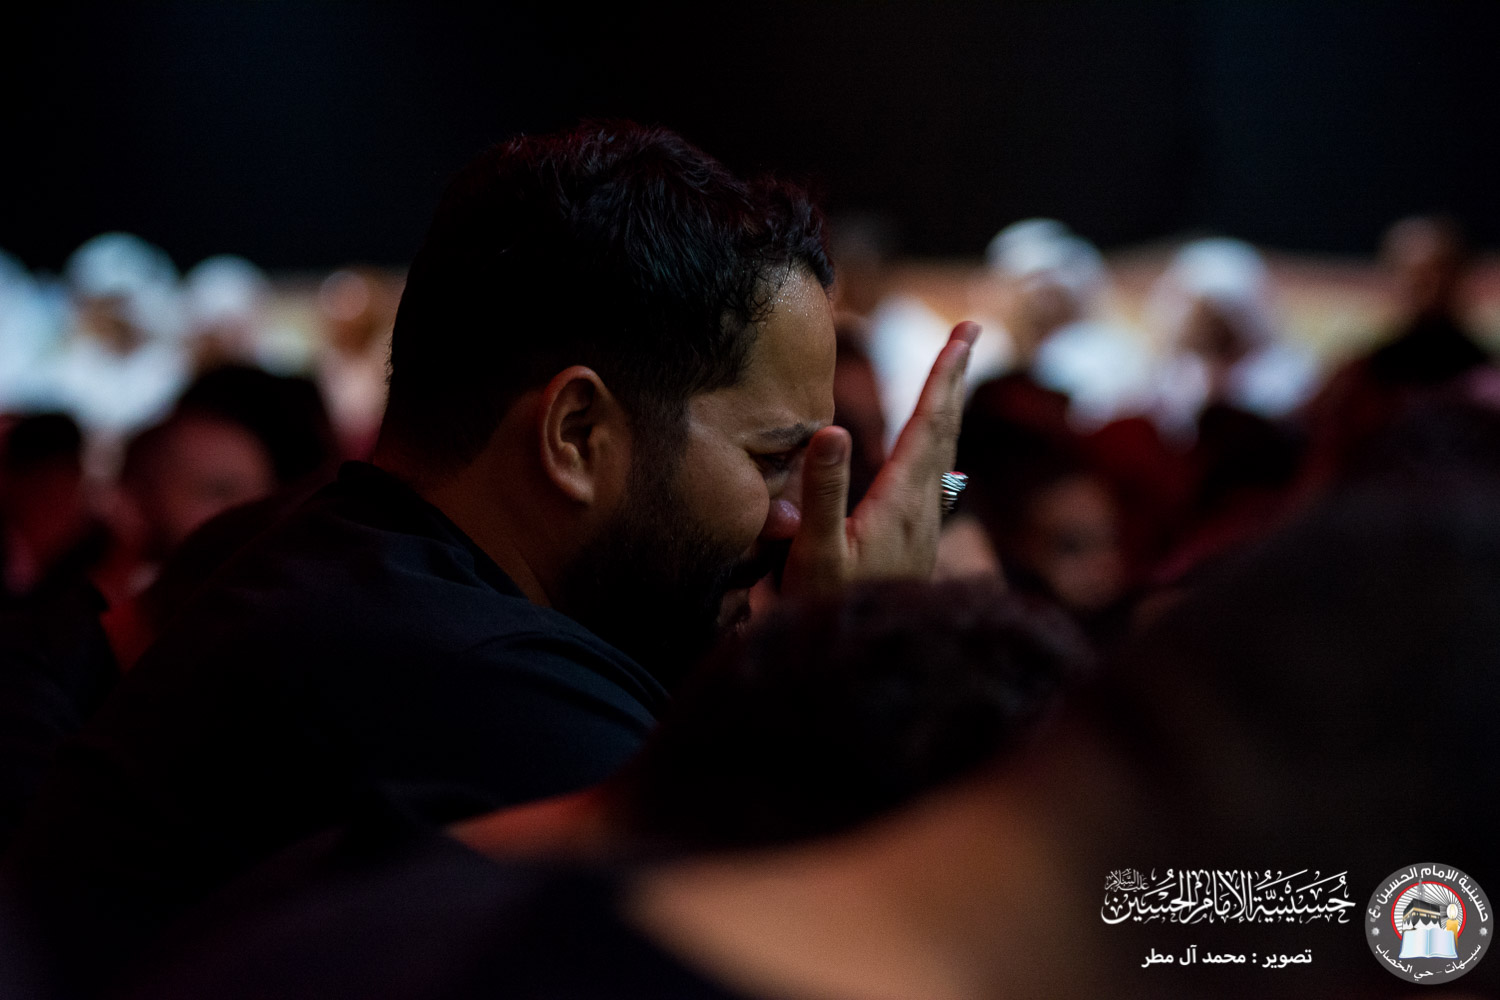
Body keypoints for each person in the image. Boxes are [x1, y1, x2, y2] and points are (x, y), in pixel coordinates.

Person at [2, 121, 978, 997]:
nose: (792, 521)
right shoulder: (468, 673)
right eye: (772, 459)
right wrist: (853, 665)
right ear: (577, 433)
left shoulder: (372, 579)